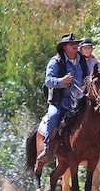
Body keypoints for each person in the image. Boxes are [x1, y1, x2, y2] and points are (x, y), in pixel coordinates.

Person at [37, 33, 89, 162]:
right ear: (64, 47)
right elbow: (48, 81)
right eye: (72, 44)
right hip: (60, 101)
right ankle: (47, 148)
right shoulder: (55, 62)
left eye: (76, 44)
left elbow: (88, 78)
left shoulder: (82, 60)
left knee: (97, 113)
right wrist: (62, 81)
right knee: (53, 116)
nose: (75, 46)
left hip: (79, 101)